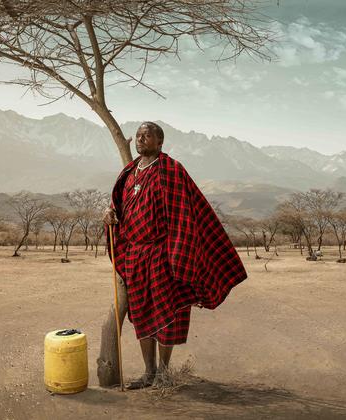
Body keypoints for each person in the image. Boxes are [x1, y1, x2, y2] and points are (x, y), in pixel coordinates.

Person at [103, 121, 247, 389]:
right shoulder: (130, 171)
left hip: (161, 254)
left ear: (159, 142)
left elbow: (185, 215)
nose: (141, 139)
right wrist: (110, 213)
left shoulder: (171, 170)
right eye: (138, 136)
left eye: (147, 136)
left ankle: (164, 374)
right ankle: (149, 372)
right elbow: (118, 204)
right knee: (141, 314)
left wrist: (177, 255)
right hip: (134, 255)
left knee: (166, 315)